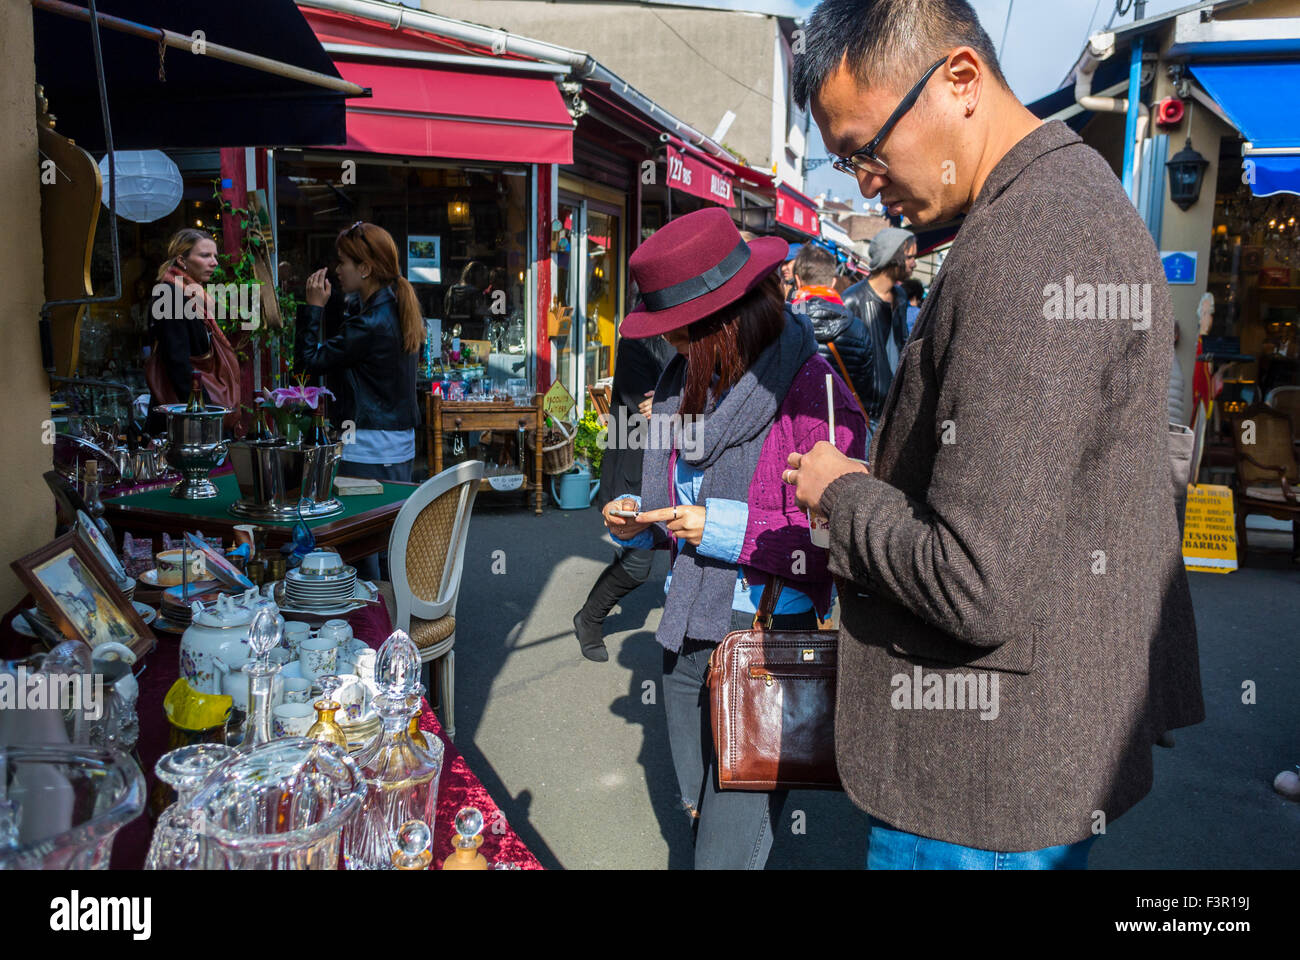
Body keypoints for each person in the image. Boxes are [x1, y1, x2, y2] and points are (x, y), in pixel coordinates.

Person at [788, 0, 1203, 870]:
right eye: (843, 160)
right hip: (1011, 767)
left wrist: (841, 491)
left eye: (865, 148)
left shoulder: (1037, 235)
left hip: (982, 791)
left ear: (962, 80)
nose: (863, 181)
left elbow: (973, 580)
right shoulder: (1048, 208)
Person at [601, 208, 867, 869]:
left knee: (721, 855)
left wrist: (721, 530)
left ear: (726, 320)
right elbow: (670, 508)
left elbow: (838, 537)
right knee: (699, 815)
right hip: (687, 628)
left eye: (680, 332)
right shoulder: (677, 387)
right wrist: (638, 521)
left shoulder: (812, 390)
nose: (670, 346)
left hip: (764, 637)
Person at [296, 221, 420, 581]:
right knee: (387, 544)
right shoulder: (397, 306)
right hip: (395, 443)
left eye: (343, 261)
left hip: (366, 445)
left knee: (360, 548)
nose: (337, 269)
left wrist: (313, 308)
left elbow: (306, 365)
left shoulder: (370, 322)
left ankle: (374, 625)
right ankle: (395, 625)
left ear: (365, 268)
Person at [572, 333, 675, 662]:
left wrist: (670, 400)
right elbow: (638, 406)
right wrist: (677, 400)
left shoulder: (691, 332)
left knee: (680, 550)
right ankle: (589, 618)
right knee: (639, 560)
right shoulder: (637, 338)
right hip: (636, 462)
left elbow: (668, 404)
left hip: (675, 458)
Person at [144, 228, 242, 432]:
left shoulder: (192, 296)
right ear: (182, 260)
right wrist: (204, 413)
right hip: (183, 420)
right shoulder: (170, 295)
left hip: (189, 415)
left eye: (215, 255)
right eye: (205, 255)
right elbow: (177, 361)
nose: (214, 262)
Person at [789, 244, 875, 432]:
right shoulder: (858, 327)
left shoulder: (784, 323)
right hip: (842, 427)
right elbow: (866, 386)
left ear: (797, 280)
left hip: (794, 425)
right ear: (833, 282)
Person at [841, 226, 916, 434]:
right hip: (865, 413)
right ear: (894, 256)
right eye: (911, 257)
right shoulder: (852, 300)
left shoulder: (900, 297)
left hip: (894, 409)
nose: (914, 263)